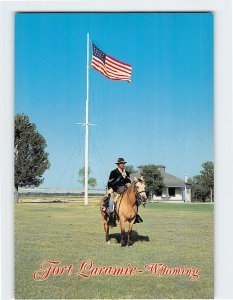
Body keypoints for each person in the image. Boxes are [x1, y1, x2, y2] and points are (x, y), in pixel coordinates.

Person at [104, 157, 143, 227]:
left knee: (135, 200)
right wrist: (110, 188)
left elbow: (128, 182)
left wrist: (128, 184)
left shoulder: (127, 172)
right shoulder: (113, 172)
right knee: (111, 201)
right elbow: (110, 182)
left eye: (123, 163)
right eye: (121, 163)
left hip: (125, 190)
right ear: (118, 164)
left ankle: (135, 215)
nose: (122, 164)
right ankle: (112, 216)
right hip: (115, 189)